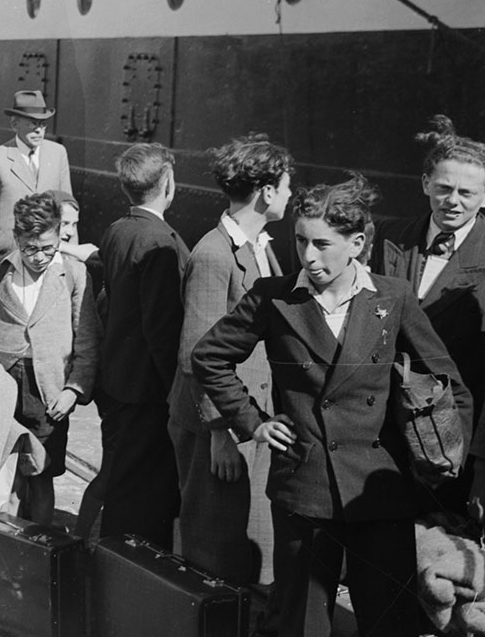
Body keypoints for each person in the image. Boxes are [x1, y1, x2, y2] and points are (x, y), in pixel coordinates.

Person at [193, 176, 471, 637]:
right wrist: (253, 423)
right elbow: (208, 357)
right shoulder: (273, 295)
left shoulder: (392, 297)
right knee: (302, 622)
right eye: (300, 240)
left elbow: (449, 381)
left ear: (357, 244)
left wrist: (444, 458)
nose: (308, 256)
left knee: (387, 620)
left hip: (379, 490)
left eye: (322, 244)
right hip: (305, 485)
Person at [168, 135, 292, 587]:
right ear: (267, 191)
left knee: (245, 538)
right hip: (216, 424)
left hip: (247, 415)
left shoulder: (259, 246)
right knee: (213, 543)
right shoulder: (214, 254)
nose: (291, 194)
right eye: (287, 185)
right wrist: (220, 433)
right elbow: (195, 353)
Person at [373, 115, 485, 516]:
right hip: (380, 428)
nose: (453, 200)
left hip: (448, 438)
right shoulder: (389, 235)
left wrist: (482, 468)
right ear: (425, 185)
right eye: (443, 188)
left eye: (467, 193)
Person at [0, 192, 99, 525]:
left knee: (42, 474)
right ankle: (7, 544)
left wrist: (73, 389)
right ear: (18, 238)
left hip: (48, 391)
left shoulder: (73, 273)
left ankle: (42, 546)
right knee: (3, 473)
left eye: (48, 248)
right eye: (30, 248)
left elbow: (87, 339)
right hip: (3, 383)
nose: (39, 257)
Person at [95, 142, 188, 550]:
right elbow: (162, 331)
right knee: (146, 496)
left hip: (118, 380)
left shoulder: (119, 230)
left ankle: (115, 561)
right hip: (149, 391)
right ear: (167, 182)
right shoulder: (162, 243)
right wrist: (177, 391)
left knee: (124, 483)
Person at [0, 90, 72, 252]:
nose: (39, 130)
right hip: (8, 253)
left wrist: (71, 252)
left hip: (49, 252)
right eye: (32, 123)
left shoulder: (58, 153)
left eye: (43, 124)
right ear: (14, 124)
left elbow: (69, 209)